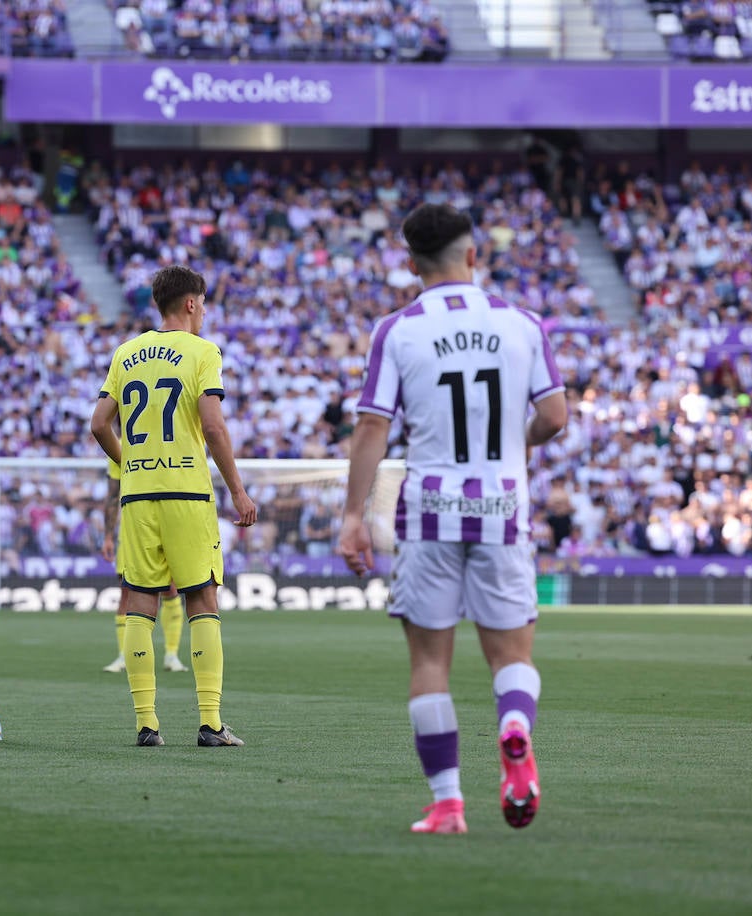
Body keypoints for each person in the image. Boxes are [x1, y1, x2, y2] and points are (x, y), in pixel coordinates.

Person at [336, 204, 567, 835]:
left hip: (430, 511)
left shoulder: (398, 329)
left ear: (411, 265)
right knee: (510, 653)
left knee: (430, 663)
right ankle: (515, 728)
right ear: (474, 256)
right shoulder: (523, 324)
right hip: (502, 509)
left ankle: (447, 804)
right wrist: (512, 448)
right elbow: (554, 416)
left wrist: (354, 516)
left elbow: (372, 427)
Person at [89, 264, 257, 748]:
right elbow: (213, 426)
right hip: (186, 491)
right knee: (202, 599)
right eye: (203, 303)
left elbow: (100, 423)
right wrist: (239, 491)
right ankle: (209, 723)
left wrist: (131, 463)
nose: (204, 312)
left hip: (137, 496)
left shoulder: (126, 352)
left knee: (139, 604)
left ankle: (147, 724)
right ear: (190, 303)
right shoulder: (202, 351)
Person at [100, 455, 189, 674]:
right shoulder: (121, 444)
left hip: (170, 522)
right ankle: (124, 655)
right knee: (127, 591)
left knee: (171, 588)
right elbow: (113, 494)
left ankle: (171, 655)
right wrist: (108, 536)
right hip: (135, 526)